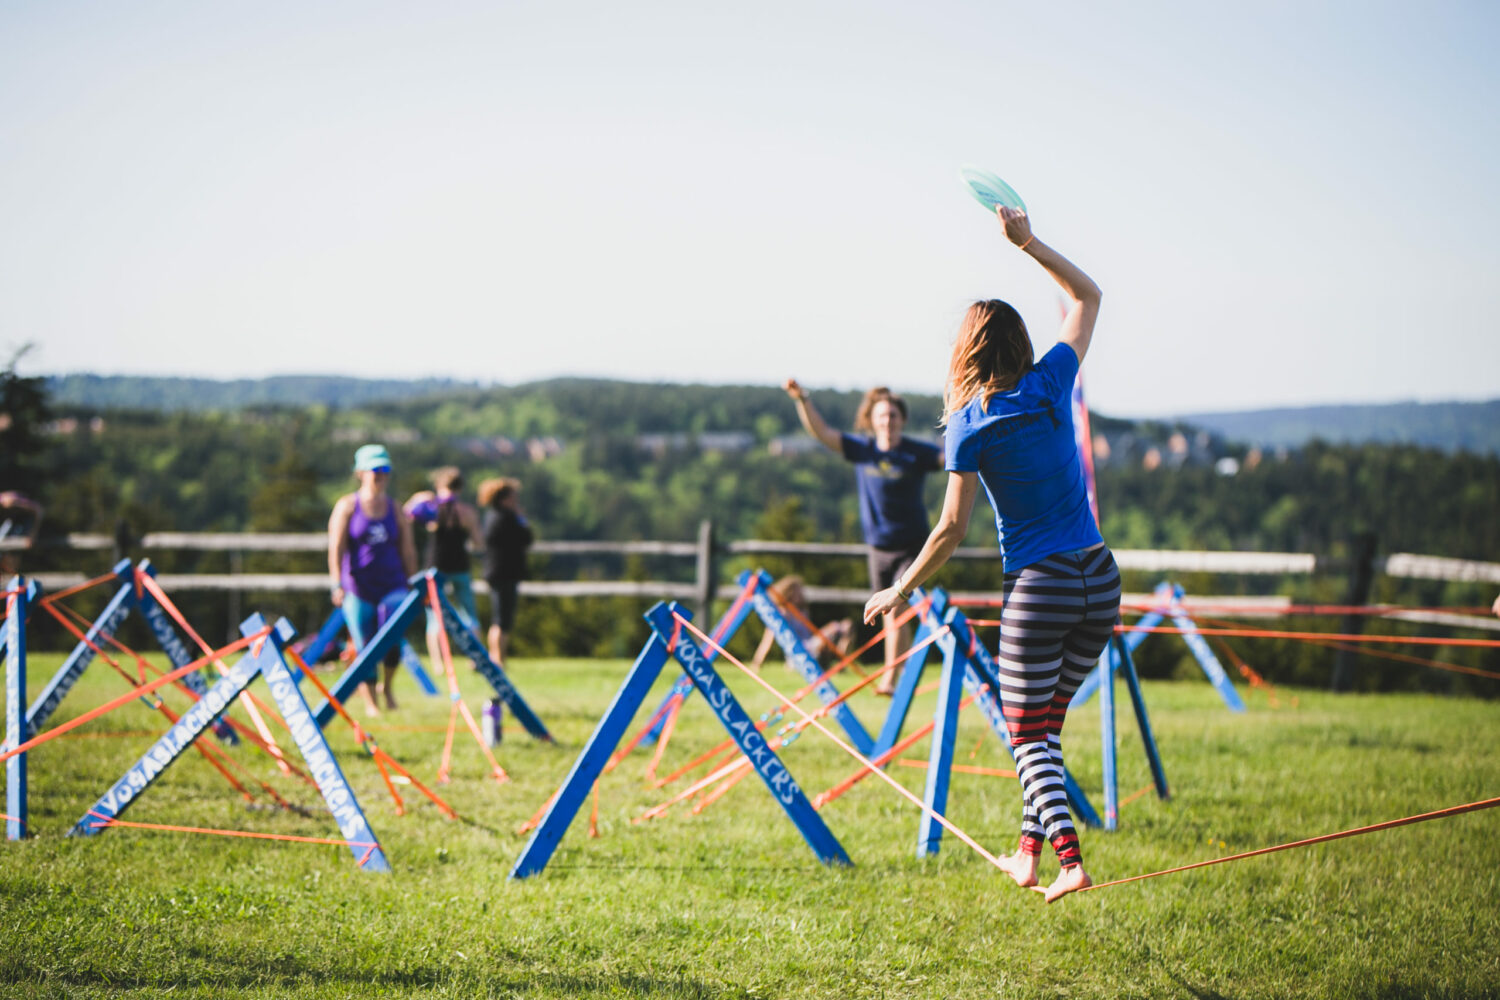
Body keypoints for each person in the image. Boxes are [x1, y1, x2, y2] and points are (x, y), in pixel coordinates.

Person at [862, 203, 1112, 903]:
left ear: (967, 352)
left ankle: (1069, 860)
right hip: (1100, 578)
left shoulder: (968, 426)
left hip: (1040, 588)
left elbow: (949, 529)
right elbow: (1089, 297)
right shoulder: (1052, 382)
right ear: (1019, 347)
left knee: (1025, 735)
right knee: (1044, 729)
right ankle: (1028, 853)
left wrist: (900, 589)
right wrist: (1028, 243)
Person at [783, 381, 942, 694]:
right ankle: (903, 673)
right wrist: (803, 399)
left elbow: (949, 456)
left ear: (902, 420)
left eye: (894, 416)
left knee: (896, 608)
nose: (888, 421)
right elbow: (823, 433)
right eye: (882, 416)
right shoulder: (863, 450)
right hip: (878, 548)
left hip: (912, 547)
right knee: (891, 614)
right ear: (872, 420)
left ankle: (890, 679)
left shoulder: (916, 452)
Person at [328, 444, 418, 716]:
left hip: (393, 583)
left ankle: (387, 688)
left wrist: (413, 581)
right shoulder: (347, 506)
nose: (380, 476)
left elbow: (408, 548)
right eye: (375, 470)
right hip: (358, 587)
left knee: (393, 639)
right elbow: (336, 547)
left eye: (385, 470)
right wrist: (336, 583)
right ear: (360, 473)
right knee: (363, 645)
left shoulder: (395, 508)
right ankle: (370, 703)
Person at [404, 466, 484, 670]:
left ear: (440, 485)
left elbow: (403, 517)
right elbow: (478, 543)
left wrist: (417, 498)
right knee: (469, 614)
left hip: (435, 566)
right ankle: (475, 658)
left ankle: (439, 664)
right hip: (460, 566)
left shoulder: (432, 509)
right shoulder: (467, 512)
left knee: (434, 616)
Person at [478, 477, 533, 666]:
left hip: (496, 572)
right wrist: (521, 518)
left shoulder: (492, 516)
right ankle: (498, 659)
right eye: (513, 496)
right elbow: (526, 538)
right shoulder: (507, 517)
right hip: (504, 573)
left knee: (500, 618)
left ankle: (498, 657)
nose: (516, 500)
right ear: (504, 499)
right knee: (502, 620)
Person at [749, 575, 854, 670]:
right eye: (798, 591)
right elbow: (768, 639)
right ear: (789, 592)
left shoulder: (803, 611)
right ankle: (833, 663)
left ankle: (841, 664)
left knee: (847, 625)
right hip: (799, 652)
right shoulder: (783, 613)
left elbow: (810, 635)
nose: (801, 594)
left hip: (812, 646)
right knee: (834, 627)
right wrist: (757, 663)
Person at [0, 491, 43, 578]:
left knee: (12, 550)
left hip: (28, 518)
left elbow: (38, 510)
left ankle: (13, 577)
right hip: (13, 520)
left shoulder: (10, 502)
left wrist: (32, 534)